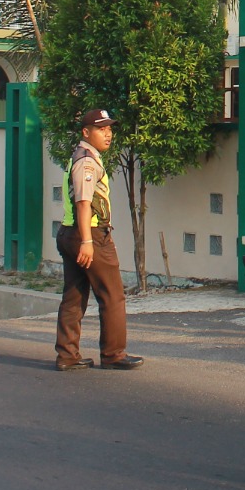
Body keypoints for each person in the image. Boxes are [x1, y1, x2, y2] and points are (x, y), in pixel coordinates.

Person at [54, 109, 143, 372]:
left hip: (70, 233)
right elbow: (84, 203)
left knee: (74, 296)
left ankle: (67, 355)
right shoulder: (87, 162)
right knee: (112, 295)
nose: (108, 134)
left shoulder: (80, 156)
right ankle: (114, 354)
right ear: (86, 132)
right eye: (101, 129)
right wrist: (87, 242)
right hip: (90, 234)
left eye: (109, 129)